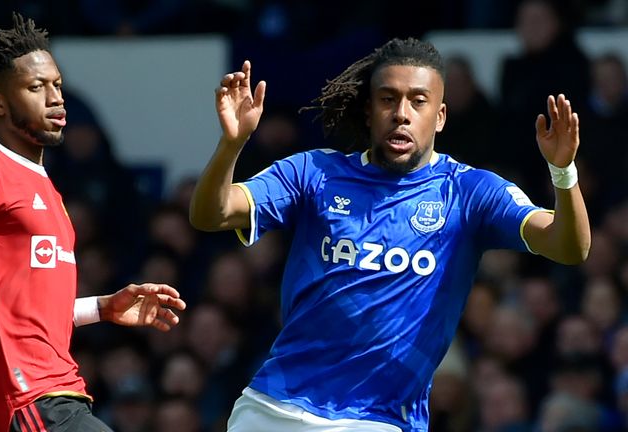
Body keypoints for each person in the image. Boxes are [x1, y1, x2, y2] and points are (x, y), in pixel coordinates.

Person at [189, 37, 590, 431]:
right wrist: (231, 144)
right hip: (275, 409)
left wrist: (563, 172)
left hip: (381, 420)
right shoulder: (314, 174)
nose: (402, 113)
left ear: (440, 116)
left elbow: (569, 247)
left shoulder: (469, 193)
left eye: (418, 101)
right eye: (387, 99)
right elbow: (212, 214)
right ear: (368, 111)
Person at [0, 13, 186, 432]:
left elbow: (21, 311)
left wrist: (103, 308)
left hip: (51, 398)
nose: (56, 98)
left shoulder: (43, 184)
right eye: (37, 88)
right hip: (29, 398)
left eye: (57, 84)